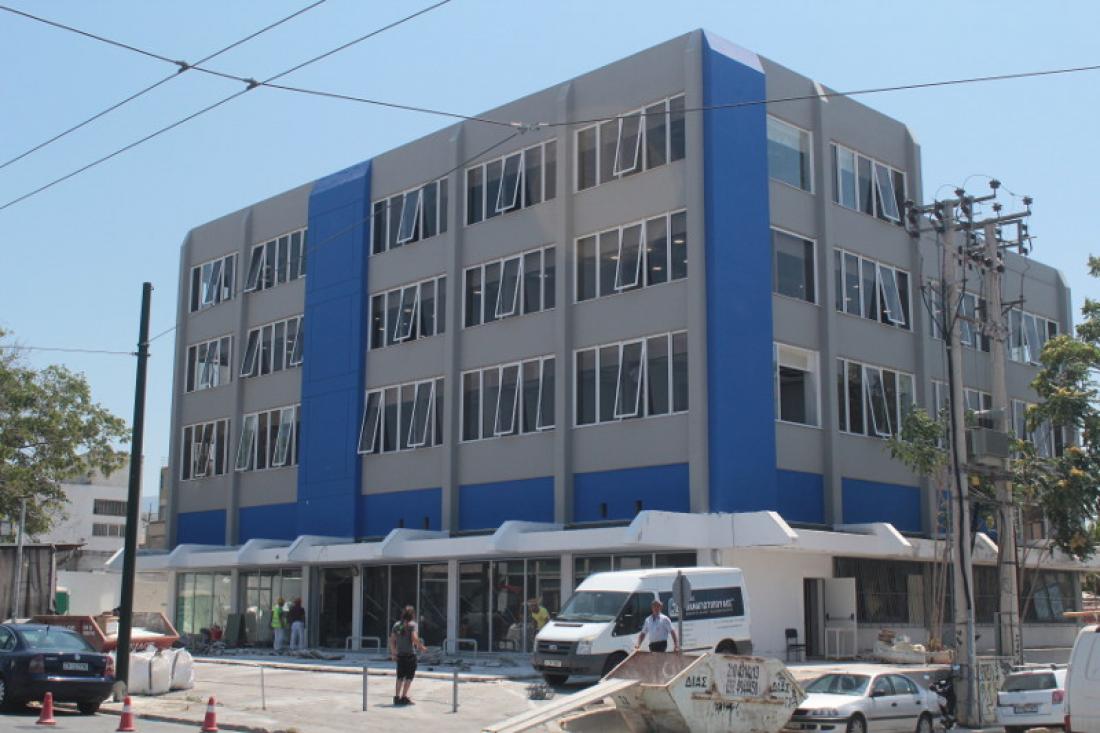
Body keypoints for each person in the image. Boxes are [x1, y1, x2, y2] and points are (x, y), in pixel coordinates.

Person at [389, 605, 427, 706]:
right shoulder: (412, 625)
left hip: (400, 655)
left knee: (400, 677)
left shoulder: (397, 625)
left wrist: (393, 653)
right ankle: (404, 697)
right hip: (410, 655)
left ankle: (396, 697)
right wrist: (421, 647)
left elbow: (392, 640)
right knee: (409, 677)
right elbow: (414, 638)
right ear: (413, 615)